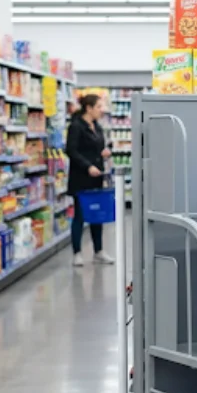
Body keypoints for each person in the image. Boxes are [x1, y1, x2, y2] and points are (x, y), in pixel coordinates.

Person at [66, 94, 115, 267]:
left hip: (97, 177)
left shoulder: (97, 127)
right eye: (99, 107)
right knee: (80, 215)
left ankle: (99, 251)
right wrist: (88, 166)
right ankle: (77, 253)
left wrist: (105, 151)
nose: (102, 110)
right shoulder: (76, 127)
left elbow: (100, 146)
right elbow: (71, 151)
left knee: (97, 215)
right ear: (89, 108)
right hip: (81, 178)